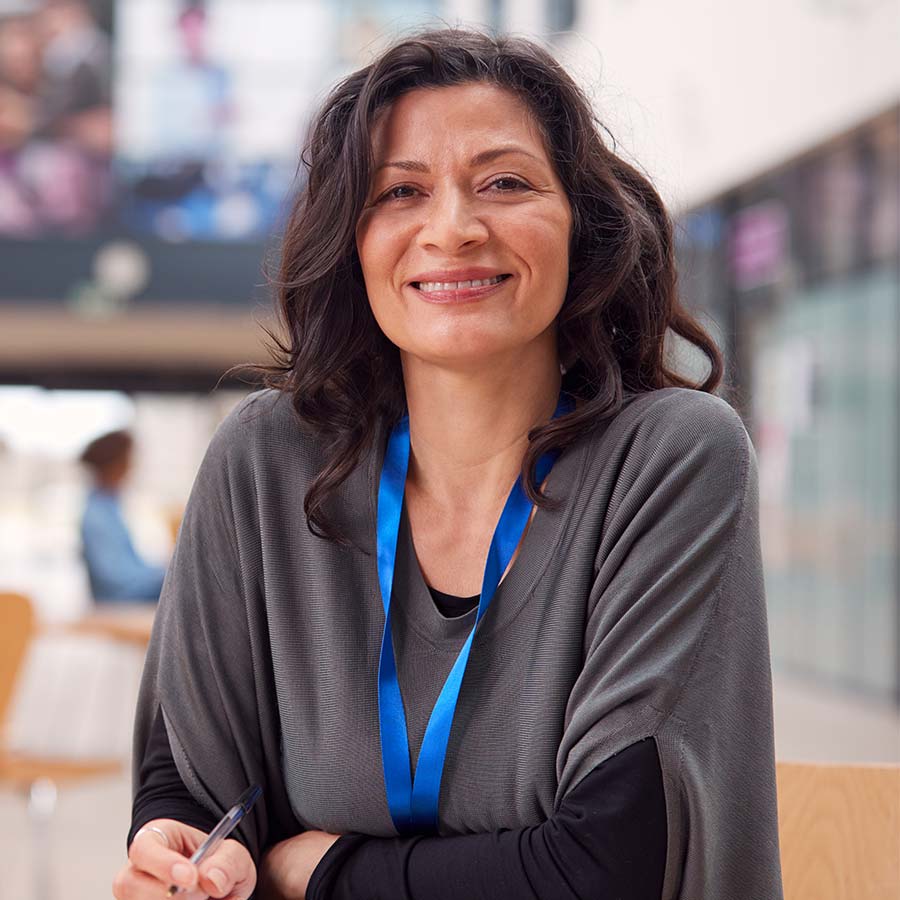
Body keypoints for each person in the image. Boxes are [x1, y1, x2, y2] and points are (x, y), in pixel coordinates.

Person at [114, 28, 784, 900]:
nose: (454, 229)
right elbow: (193, 783)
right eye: (401, 192)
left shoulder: (670, 458)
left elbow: (607, 870)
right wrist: (189, 852)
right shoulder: (264, 460)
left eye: (505, 183)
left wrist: (318, 871)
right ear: (353, 242)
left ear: (581, 226)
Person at [79, 429, 166, 603]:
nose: (131, 468)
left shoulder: (110, 507)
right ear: (114, 465)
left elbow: (133, 567)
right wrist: (169, 576)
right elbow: (118, 581)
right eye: (128, 460)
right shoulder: (97, 516)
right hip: (119, 604)